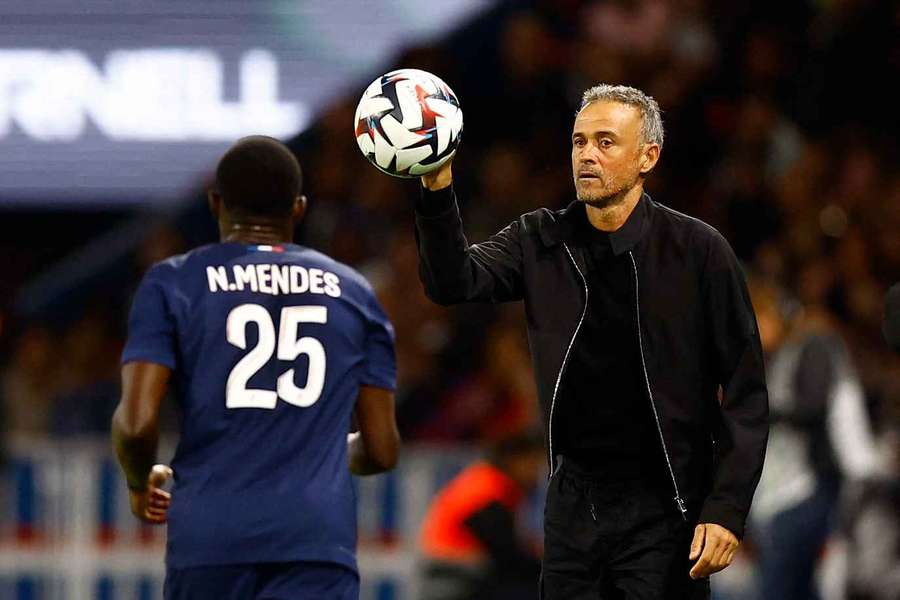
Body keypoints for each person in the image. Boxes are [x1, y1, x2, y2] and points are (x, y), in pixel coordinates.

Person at [411, 84, 769, 598]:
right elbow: (452, 282)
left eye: (605, 142)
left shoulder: (699, 252)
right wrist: (437, 188)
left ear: (648, 156)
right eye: (579, 142)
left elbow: (746, 394)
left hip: (667, 508)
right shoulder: (539, 239)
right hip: (571, 510)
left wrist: (727, 509)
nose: (586, 155)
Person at [111, 136, 400, 600]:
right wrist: (314, 451)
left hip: (210, 539)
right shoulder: (356, 293)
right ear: (300, 208)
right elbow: (382, 450)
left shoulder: (173, 283)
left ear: (215, 204)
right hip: (315, 544)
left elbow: (136, 422)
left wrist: (137, 479)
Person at [748, 277, 883, 600]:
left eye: (757, 316)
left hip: (830, 484)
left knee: (800, 584)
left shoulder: (815, 344)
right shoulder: (781, 356)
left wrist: (759, 411)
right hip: (803, 488)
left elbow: (812, 407)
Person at [418, 430, 545, 600]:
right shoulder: (490, 488)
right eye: (533, 464)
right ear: (515, 460)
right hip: (454, 574)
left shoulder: (486, 480)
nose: (536, 474)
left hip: (456, 571)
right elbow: (506, 553)